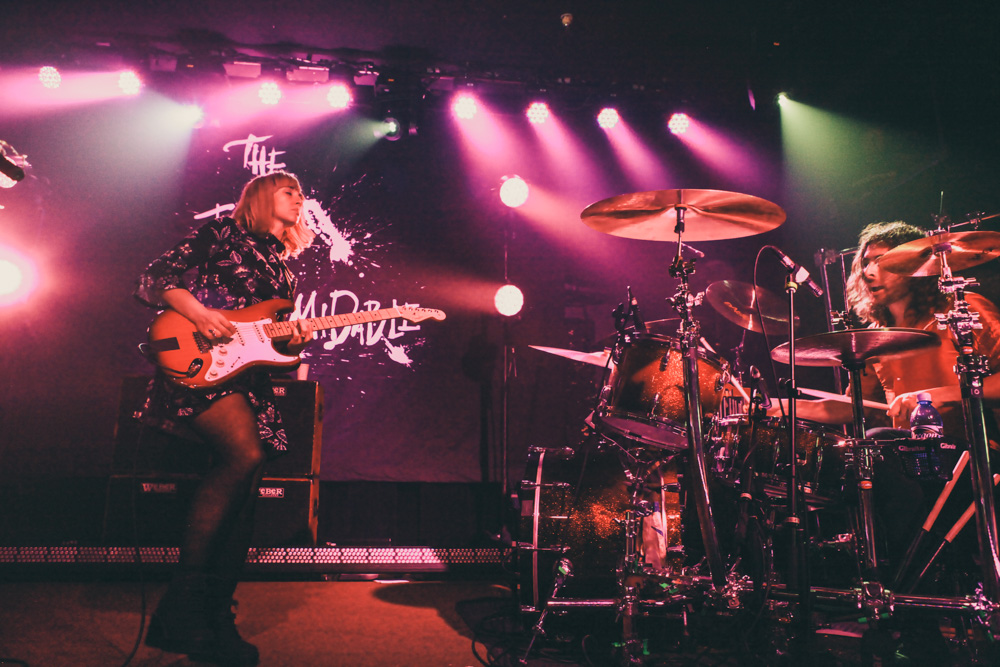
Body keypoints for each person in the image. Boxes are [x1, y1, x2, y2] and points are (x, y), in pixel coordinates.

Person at [134, 171, 316, 666]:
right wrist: (197, 311)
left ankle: (213, 616)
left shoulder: (284, 269)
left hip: (249, 378)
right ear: (261, 197)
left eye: (301, 193)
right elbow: (156, 276)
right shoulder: (222, 235)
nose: (300, 198)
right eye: (288, 190)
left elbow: (276, 338)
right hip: (202, 362)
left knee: (248, 482)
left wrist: (294, 341)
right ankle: (186, 610)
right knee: (244, 455)